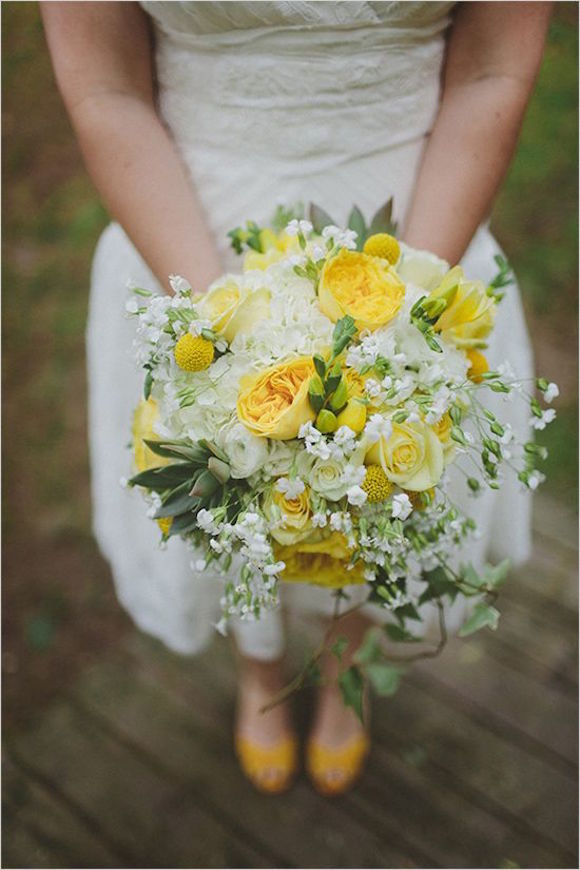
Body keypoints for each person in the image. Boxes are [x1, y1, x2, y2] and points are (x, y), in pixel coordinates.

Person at [42, 1, 551, 796]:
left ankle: (346, 657)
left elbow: (494, 66)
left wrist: (403, 318)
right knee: (226, 488)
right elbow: (107, 89)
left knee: (380, 486)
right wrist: (223, 336)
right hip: (185, 228)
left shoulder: (416, 278)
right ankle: (258, 668)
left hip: (418, 227)